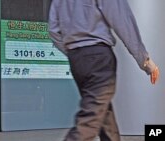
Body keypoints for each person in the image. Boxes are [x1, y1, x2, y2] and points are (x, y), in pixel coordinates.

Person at [48, 0, 160, 141]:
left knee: (104, 116)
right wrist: (145, 61)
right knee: (90, 120)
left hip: (76, 58)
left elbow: (53, 30)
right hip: (99, 58)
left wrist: (73, 51)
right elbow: (123, 20)